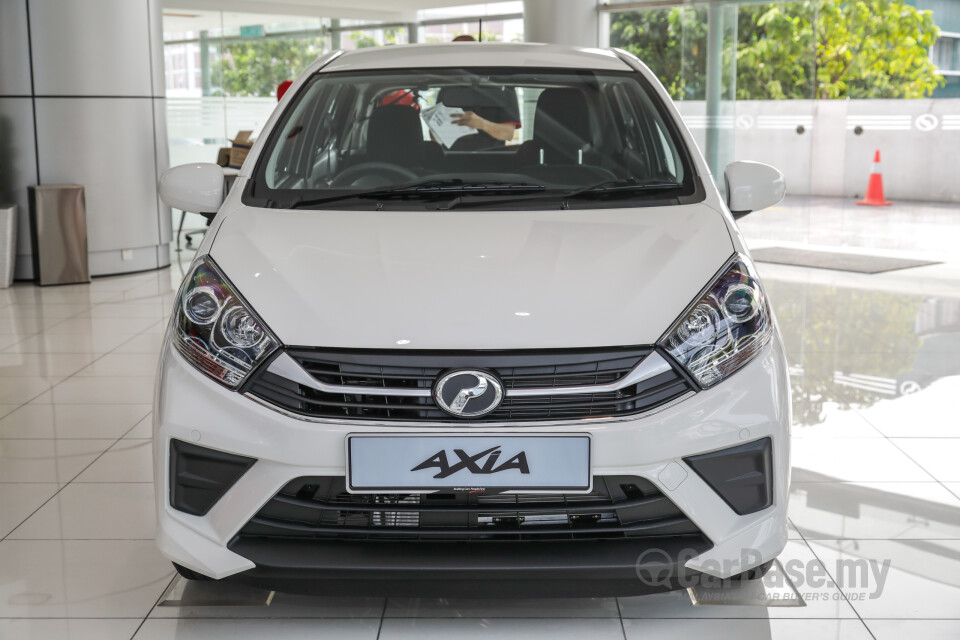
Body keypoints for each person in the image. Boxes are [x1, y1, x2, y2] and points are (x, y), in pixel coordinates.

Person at [448, 35, 520, 147]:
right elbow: (436, 137)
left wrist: (482, 124)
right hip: (449, 159)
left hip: (492, 159)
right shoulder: (447, 86)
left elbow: (508, 133)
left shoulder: (502, 86)